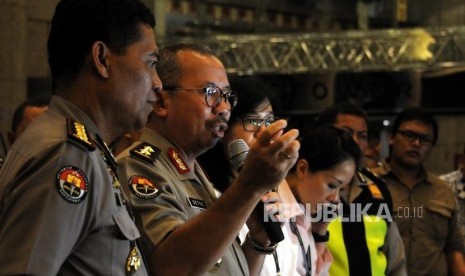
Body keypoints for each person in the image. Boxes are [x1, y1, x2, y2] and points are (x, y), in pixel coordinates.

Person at [0, 0, 161, 274]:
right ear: (101, 59)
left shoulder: (84, 150)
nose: (157, 83)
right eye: (150, 63)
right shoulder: (66, 154)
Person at [117, 42, 300, 275]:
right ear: (162, 102)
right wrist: (248, 187)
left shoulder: (191, 170)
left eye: (227, 96)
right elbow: (173, 268)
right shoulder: (139, 167)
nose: (224, 108)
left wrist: (258, 241)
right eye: (211, 93)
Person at [371, 107, 465, 275]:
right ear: (392, 138)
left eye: (425, 139)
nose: (416, 144)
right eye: (409, 135)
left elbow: (453, 248)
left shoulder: (442, 190)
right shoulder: (368, 185)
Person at [317, 103, 406, 276]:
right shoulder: (310, 185)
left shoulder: (377, 191)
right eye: (347, 132)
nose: (355, 141)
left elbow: (395, 257)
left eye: (362, 135)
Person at [260, 126, 361, 276]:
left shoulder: (302, 217)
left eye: (342, 189)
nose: (335, 199)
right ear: (302, 168)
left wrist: (320, 233)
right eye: (332, 185)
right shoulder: (270, 207)